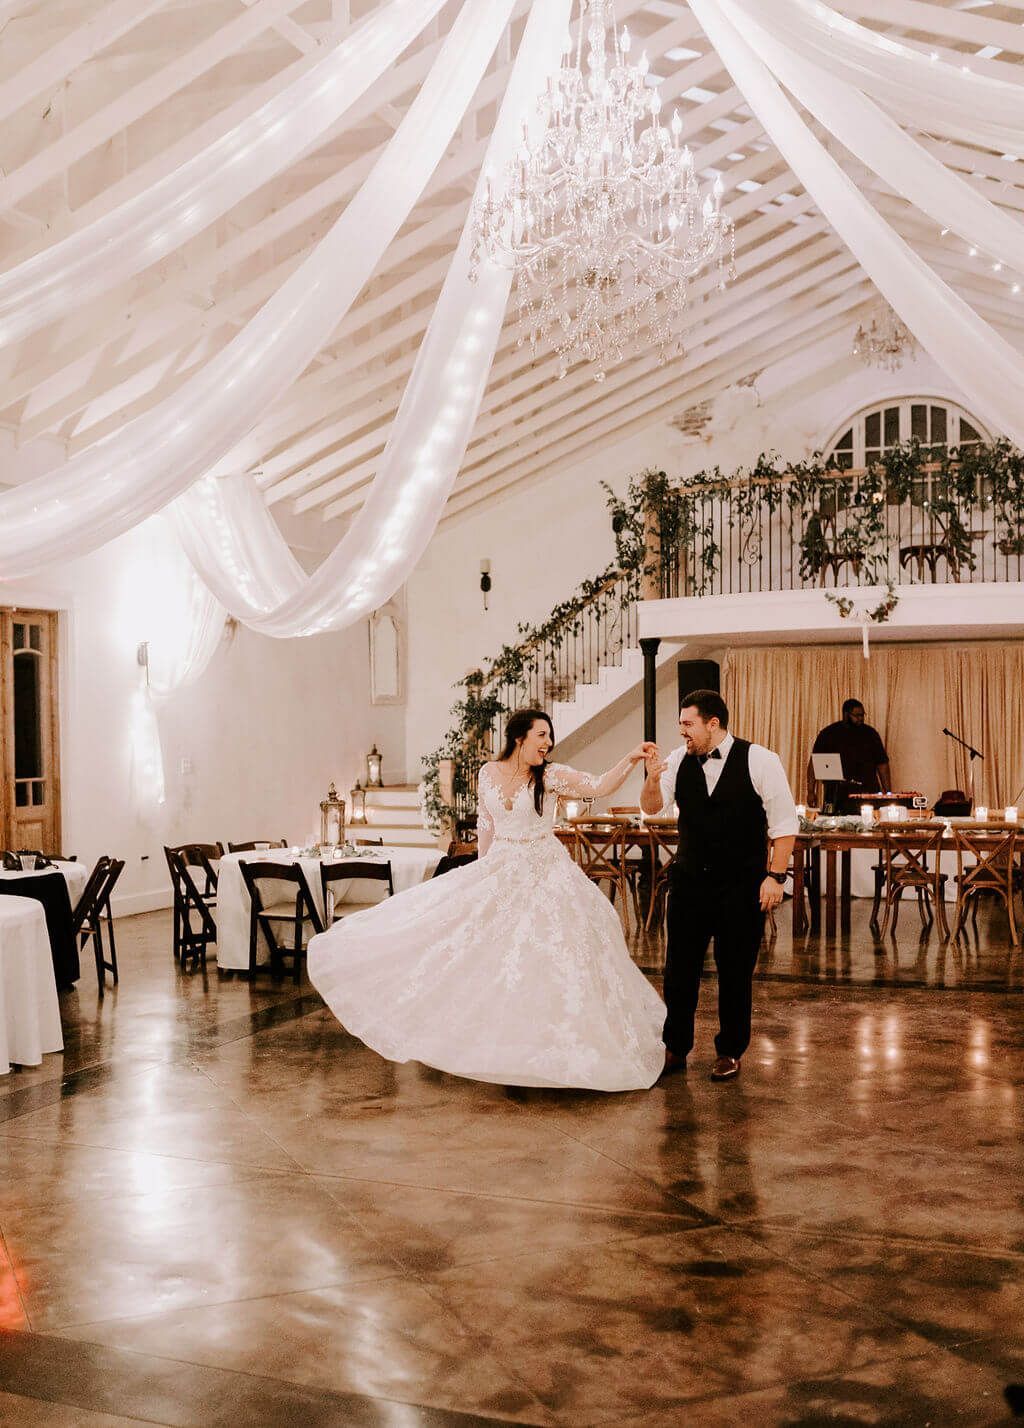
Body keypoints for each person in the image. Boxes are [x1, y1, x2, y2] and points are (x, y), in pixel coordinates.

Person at [308, 709, 666, 1092]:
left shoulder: (552, 774)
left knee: (551, 955)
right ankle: (497, 1042)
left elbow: (599, 785)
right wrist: (481, 873)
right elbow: (486, 827)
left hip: (548, 874)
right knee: (483, 954)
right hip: (502, 869)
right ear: (519, 738)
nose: (548, 743)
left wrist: (630, 759)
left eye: (549, 736)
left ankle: (553, 1047)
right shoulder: (487, 774)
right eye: (541, 735)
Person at [640, 689, 797, 1082]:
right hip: (690, 882)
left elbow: (784, 825)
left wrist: (775, 877)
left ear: (713, 724)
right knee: (679, 970)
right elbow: (652, 808)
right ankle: (675, 1048)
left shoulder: (760, 759)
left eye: (688, 725)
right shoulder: (678, 760)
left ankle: (730, 1050)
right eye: (680, 726)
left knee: (735, 970)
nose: (682, 733)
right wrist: (652, 779)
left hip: (740, 886)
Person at [808, 699, 891, 813]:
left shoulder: (871, 734)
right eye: (857, 715)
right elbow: (814, 762)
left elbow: (882, 764)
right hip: (836, 793)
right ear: (846, 714)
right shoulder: (828, 734)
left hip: (867, 791)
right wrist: (811, 791)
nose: (861, 718)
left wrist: (888, 793)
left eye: (862, 715)